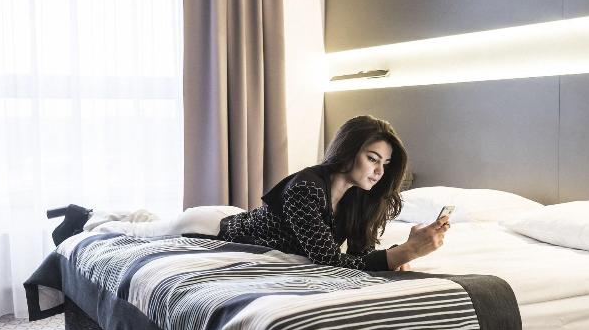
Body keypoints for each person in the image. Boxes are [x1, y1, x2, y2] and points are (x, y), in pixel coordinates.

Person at [81, 115, 448, 270]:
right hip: (213, 227)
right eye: (372, 158)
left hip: (240, 219)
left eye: (385, 164)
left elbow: (358, 256)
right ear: (349, 151)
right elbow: (326, 261)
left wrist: (398, 252)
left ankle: (125, 213)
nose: (379, 171)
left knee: (151, 221)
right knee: (138, 234)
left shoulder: (357, 199)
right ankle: (89, 218)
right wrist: (402, 253)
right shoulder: (306, 187)